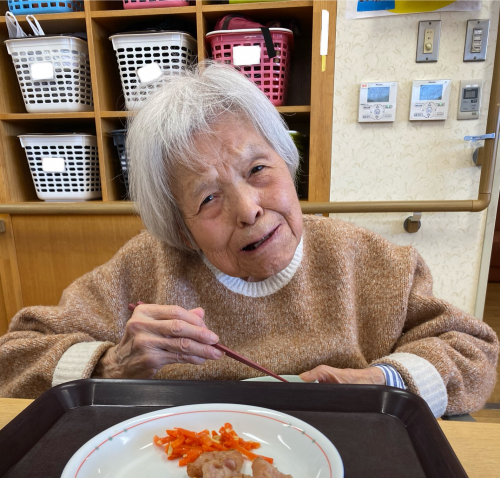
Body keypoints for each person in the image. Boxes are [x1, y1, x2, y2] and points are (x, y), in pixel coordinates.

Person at [0, 63, 498, 417]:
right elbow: (15, 356)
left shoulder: (371, 261)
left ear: (288, 164)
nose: (248, 209)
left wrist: (381, 382)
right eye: (208, 198)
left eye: (258, 169)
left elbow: (472, 350)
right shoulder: (145, 267)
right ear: (181, 229)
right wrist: (111, 364)